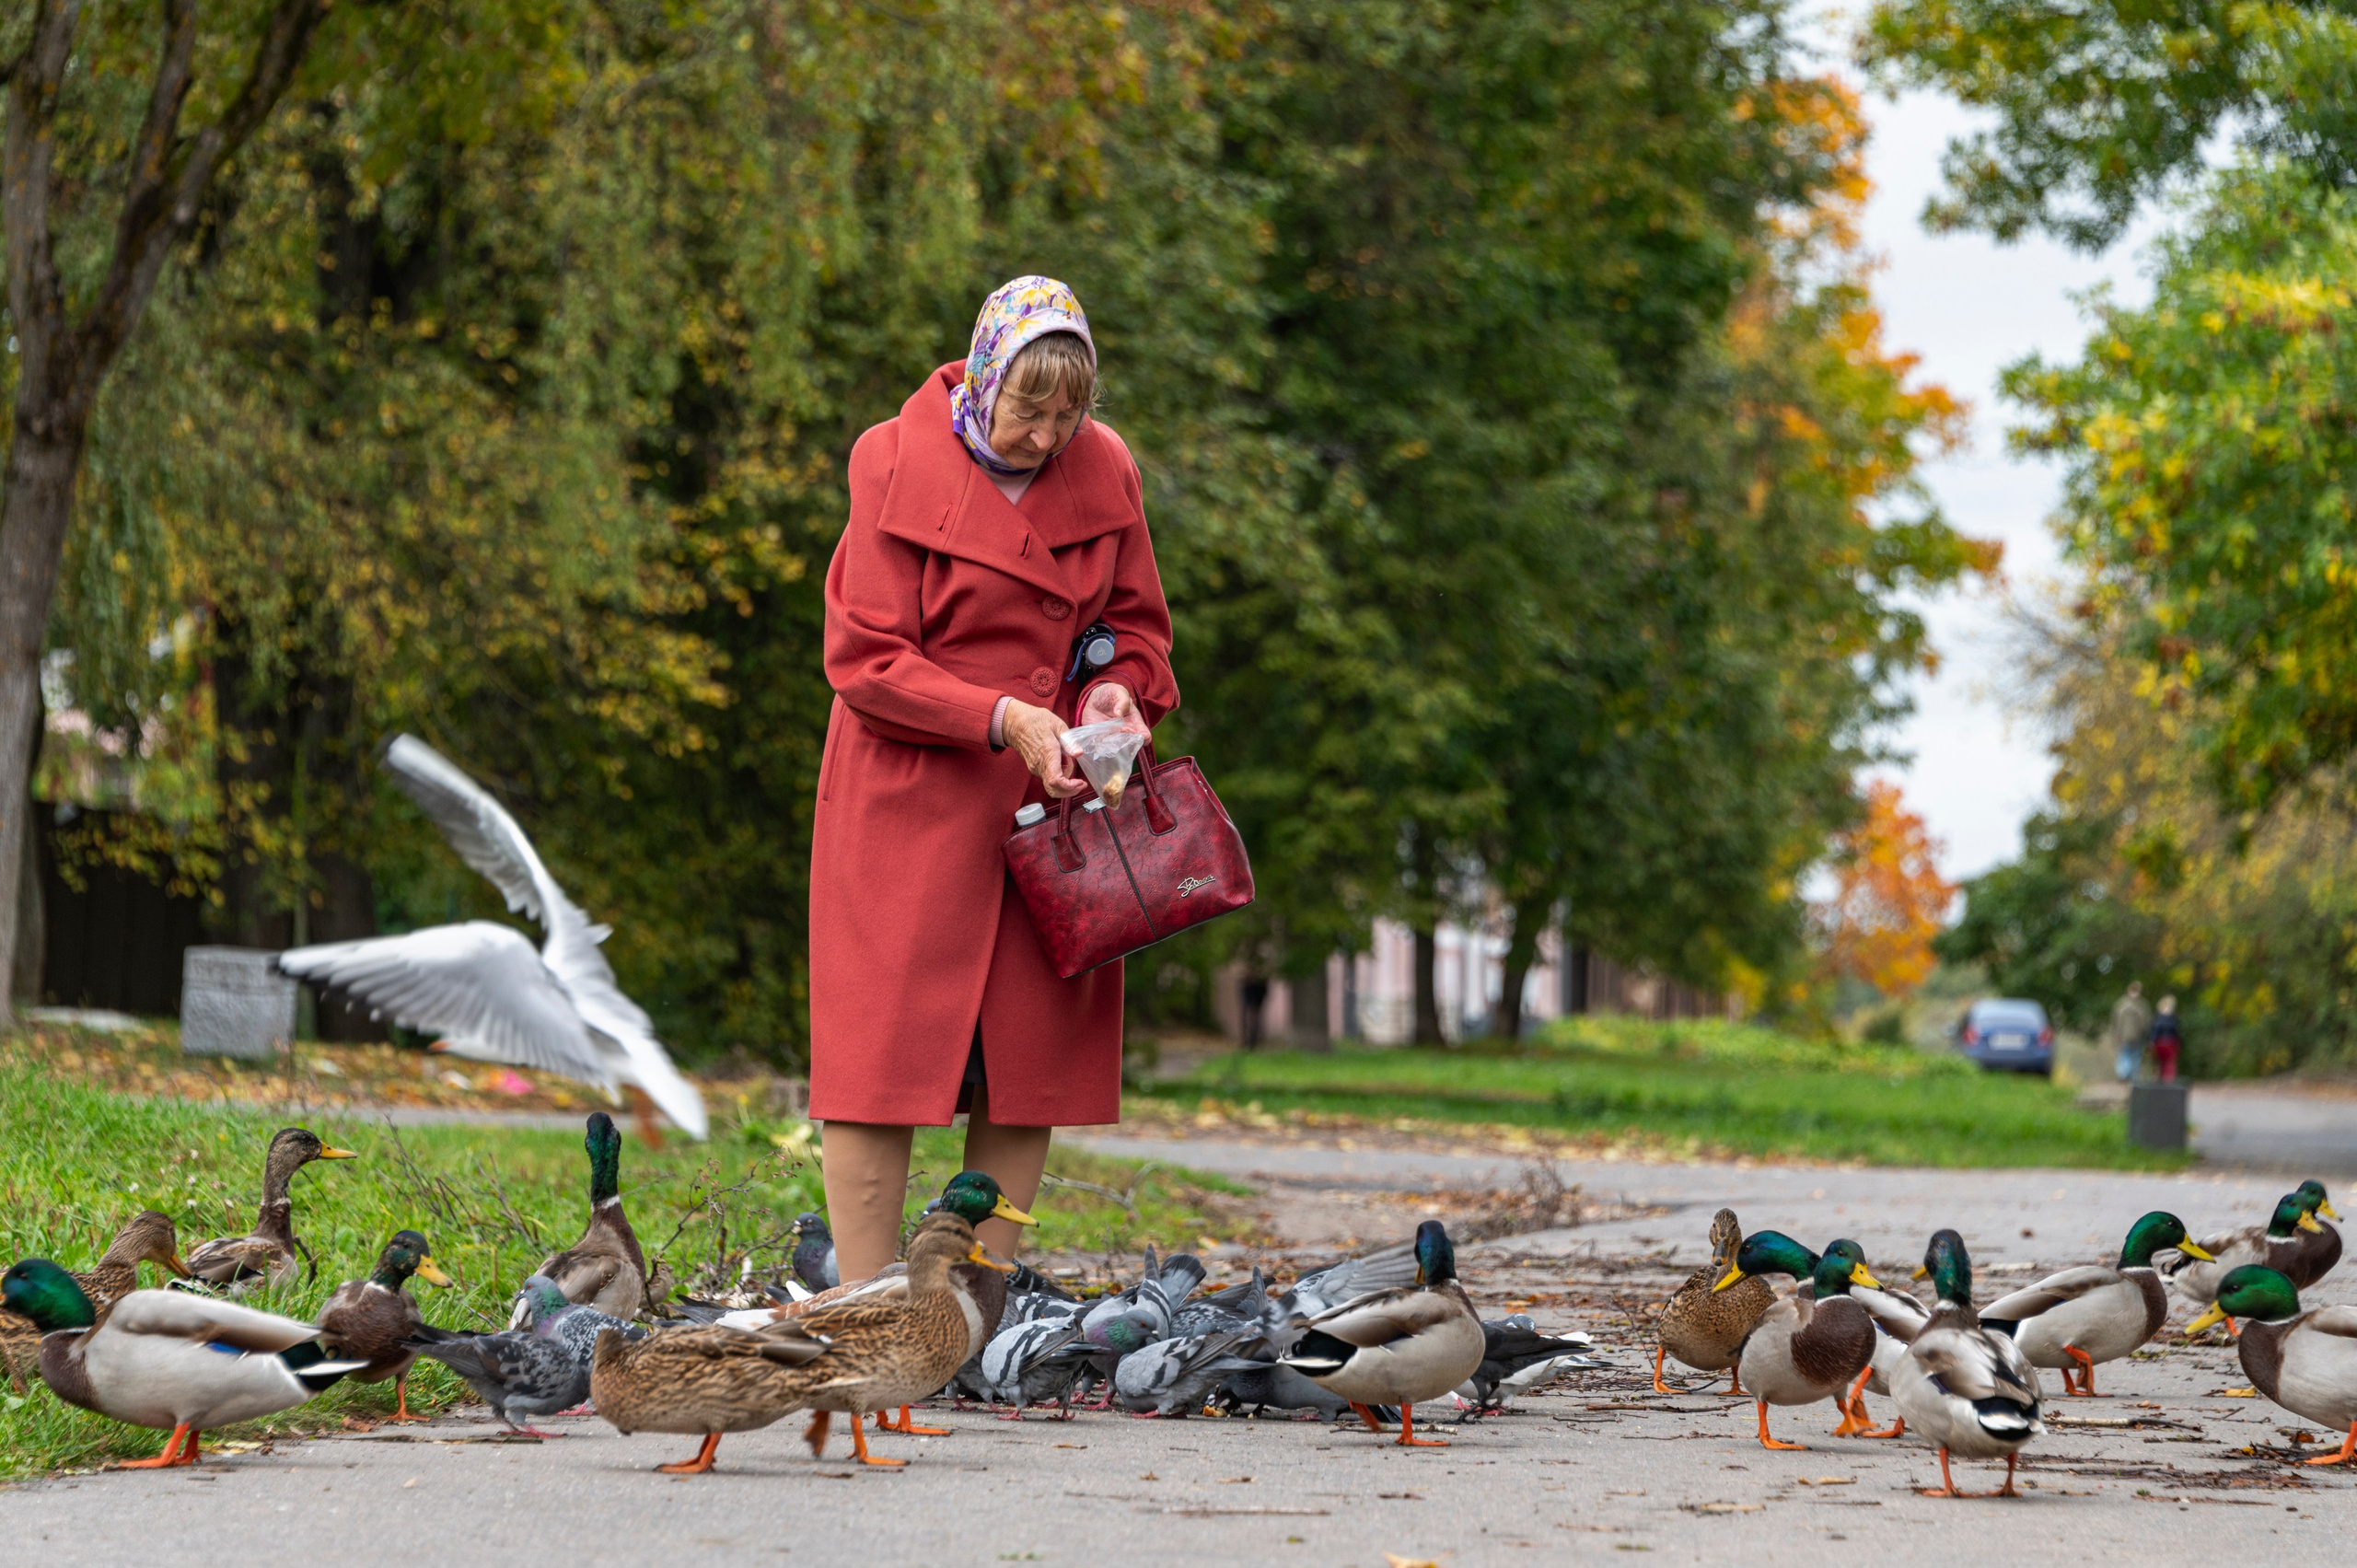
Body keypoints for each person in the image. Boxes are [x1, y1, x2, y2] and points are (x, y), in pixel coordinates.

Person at [807, 276, 1177, 1282]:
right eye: (1028, 407)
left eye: (1070, 412)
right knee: (878, 1060)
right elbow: (865, 656)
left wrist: (1113, 693)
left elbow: (1136, 627)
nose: (1047, 434)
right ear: (981, 374)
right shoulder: (890, 458)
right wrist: (1003, 714)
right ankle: (869, 1305)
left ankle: (972, 1309)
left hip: (1053, 808)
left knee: (1030, 1060)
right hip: (907, 795)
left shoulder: (1108, 470)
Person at [2107, 980, 2152, 1084]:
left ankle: (2125, 1076)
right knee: (2130, 1057)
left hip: (2131, 1037)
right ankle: (2128, 1077)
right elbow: (2147, 1023)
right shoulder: (2143, 1005)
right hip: (2129, 1037)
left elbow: (2115, 1022)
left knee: (2128, 1057)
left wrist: (2115, 1036)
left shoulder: (2121, 1004)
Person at [2150, 995, 2182, 1085]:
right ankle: (2168, 1080)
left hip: (2161, 1042)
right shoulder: (2173, 1019)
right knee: (2168, 1063)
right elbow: (2176, 1032)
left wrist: (2152, 1041)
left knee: (2161, 1062)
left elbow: (2154, 1031)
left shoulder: (2157, 1018)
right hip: (2169, 1042)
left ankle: (2160, 1080)